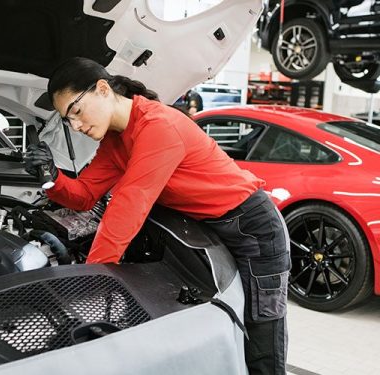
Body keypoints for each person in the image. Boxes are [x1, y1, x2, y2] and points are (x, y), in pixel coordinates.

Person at [25, 57, 290, 375]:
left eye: (77, 112)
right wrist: (51, 176)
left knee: (261, 334)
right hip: (204, 232)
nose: (76, 126)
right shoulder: (115, 141)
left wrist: (89, 280)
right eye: (67, 121)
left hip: (252, 229)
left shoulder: (157, 125)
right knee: (227, 333)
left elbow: (129, 205)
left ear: (103, 89)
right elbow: (83, 195)